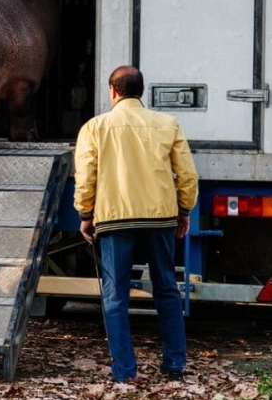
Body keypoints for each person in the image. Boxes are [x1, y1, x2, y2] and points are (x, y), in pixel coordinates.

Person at [73, 65, 198, 383]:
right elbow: (187, 175)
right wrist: (184, 210)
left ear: (112, 91)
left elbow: (86, 178)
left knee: (115, 296)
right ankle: (174, 366)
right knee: (167, 289)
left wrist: (85, 215)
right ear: (142, 91)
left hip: (114, 220)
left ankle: (124, 372)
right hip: (160, 219)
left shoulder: (95, 127)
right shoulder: (167, 124)